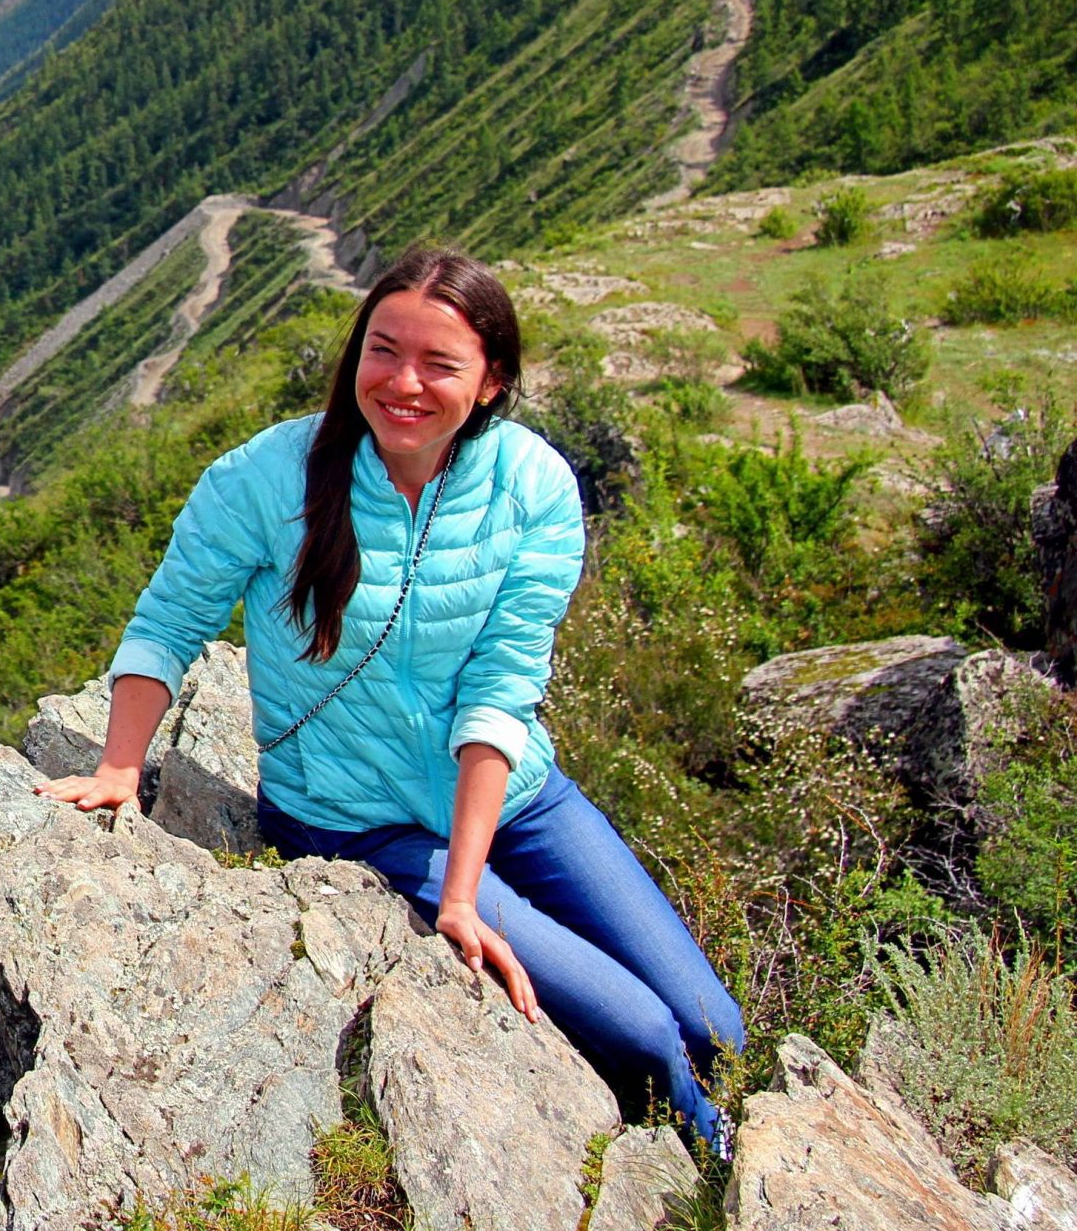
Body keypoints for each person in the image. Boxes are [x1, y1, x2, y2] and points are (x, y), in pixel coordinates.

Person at [36, 245, 744, 1152]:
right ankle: (708, 1146)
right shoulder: (268, 476)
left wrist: (461, 896)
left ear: (490, 382)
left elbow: (504, 688)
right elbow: (171, 617)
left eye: (440, 363)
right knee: (647, 1034)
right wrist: (120, 764)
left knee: (715, 1026)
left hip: (519, 798)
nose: (403, 382)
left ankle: (722, 1119)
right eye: (382, 350)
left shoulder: (532, 488)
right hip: (357, 820)